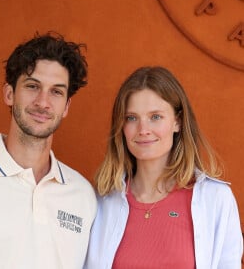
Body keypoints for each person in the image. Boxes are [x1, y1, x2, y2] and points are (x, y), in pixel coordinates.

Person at [0, 31, 97, 269]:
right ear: (9, 93)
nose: (43, 102)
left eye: (56, 91)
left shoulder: (82, 195)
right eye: (32, 86)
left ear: (66, 106)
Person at [84, 66, 243, 269]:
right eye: (131, 118)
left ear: (177, 122)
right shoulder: (100, 201)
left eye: (155, 117)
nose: (143, 130)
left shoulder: (215, 199)